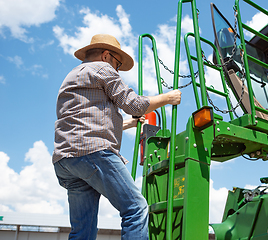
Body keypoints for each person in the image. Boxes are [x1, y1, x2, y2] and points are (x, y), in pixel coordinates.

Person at [52, 34, 181, 240]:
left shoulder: (72, 76)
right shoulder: (103, 69)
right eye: (117, 63)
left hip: (66, 160)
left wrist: (129, 123)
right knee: (136, 208)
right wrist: (167, 98)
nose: (117, 69)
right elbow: (134, 105)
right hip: (94, 153)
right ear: (106, 55)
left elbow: (87, 122)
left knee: (82, 229)